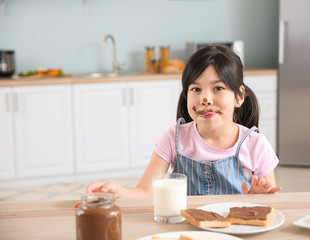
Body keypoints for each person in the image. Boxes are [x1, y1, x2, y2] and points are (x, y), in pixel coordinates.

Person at [86, 45, 282, 198]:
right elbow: (146, 192)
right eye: (196, 89)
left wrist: (258, 198)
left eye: (218, 88)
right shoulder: (173, 138)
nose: (205, 98)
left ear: (239, 97)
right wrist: (118, 191)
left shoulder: (256, 145)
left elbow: (272, 202)